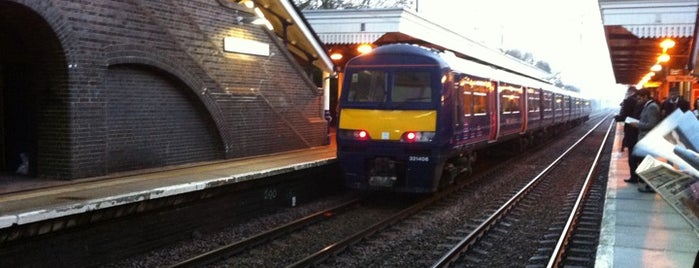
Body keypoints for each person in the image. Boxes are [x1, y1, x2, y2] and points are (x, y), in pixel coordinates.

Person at [627, 88, 661, 193]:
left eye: (640, 98)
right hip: (644, 139)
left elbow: (652, 124)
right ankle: (648, 185)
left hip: (647, 140)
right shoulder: (647, 106)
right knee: (643, 161)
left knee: (646, 162)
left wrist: (637, 125)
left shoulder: (652, 107)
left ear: (646, 97)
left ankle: (651, 186)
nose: (638, 100)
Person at [615, 86, 639, 152]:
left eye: (628, 92)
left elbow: (624, 115)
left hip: (631, 127)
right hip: (638, 128)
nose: (627, 93)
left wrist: (617, 117)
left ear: (631, 92)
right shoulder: (637, 100)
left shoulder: (629, 100)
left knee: (631, 150)